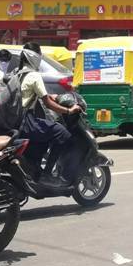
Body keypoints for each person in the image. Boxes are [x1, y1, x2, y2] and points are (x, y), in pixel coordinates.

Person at [17, 42, 82, 186]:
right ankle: (47, 174)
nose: (40, 58)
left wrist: (52, 96)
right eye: (39, 55)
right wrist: (68, 110)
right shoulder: (33, 75)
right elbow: (47, 103)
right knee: (62, 133)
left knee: (46, 134)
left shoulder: (18, 72)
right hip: (27, 121)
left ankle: (36, 168)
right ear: (34, 57)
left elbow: (37, 94)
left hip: (17, 121)